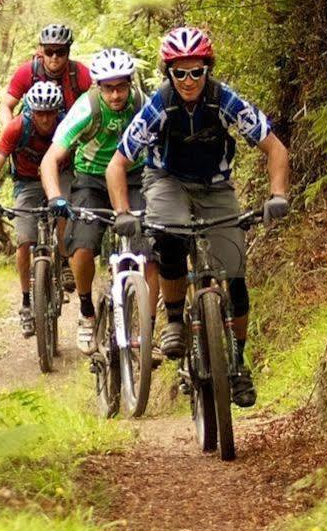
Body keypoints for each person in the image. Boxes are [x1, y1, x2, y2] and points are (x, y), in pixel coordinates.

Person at [106, 26, 290, 408]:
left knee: (235, 278)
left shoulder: (225, 101)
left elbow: (275, 147)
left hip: (215, 186)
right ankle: (174, 321)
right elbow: (117, 164)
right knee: (169, 237)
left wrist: (278, 195)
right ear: (168, 73)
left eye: (196, 72)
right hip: (167, 180)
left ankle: (237, 364)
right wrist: (123, 212)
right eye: (180, 73)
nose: (188, 81)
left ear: (208, 70)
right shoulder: (159, 104)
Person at [39, 47, 144, 354]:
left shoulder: (140, 103)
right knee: (82, 247)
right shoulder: (86, 109)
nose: (115, 95)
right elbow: (50, 159)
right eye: (109, 88)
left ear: (130, 84)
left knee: (150, 242)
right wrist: (56, 196)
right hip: (92, 180)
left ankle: (147, 320)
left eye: (121, 87)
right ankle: (86, 311)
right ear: (98, 86)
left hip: (133, 176)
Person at [0, 80, 70, 336]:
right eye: (40, 113)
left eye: (50, 113)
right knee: (24, 241)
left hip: (60, 175)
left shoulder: (66, 125)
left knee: (65, 208)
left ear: (58, 111)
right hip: (27, 182)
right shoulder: (18, 127)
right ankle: (27, 302)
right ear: (31, 110)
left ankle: (63, 263)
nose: (45, 119)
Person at [0, 23, 91, 128]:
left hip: (70, 131)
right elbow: (6, 106)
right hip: (33, 133)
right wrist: (9, 128)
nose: (54, 57)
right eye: (49, 52)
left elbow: (100, 102)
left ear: (68, 51)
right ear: (42, 51)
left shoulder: (79, 73)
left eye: (60, 52)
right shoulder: (28, 72)